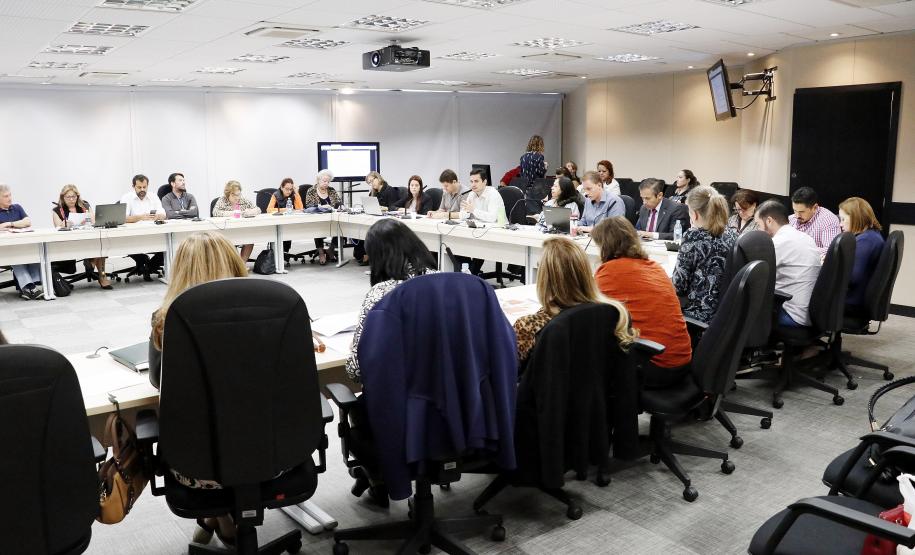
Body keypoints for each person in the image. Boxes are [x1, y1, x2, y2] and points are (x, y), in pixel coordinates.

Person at [147, 231, 248, 547]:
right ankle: (221, 521)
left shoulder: (166, 321)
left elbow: (158, 381)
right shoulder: (269, 309)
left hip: (198, 466)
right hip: (276, 454)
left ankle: (218, 519)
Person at [592, 217, 692, 387]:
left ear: (606, 245)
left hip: (654, 364)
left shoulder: (610, 271)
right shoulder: (654, 267)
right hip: (681, 360)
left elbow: (585, 307)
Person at [514, 236, 633, 368]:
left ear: (544, 277)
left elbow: (506, 373)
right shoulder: (616, 313)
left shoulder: (529, 325)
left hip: (548, 388)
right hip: (598, 387)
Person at [345, 219, 438, 383]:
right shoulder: (443, 282)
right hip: (448, 395)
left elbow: (356, 369)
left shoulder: (381, 293)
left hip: (397, 399)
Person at [672, 186, 737, 323]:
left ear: (694, 214)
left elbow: (679, 286)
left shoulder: (693, 236)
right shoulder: (733, 234)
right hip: (726, 313)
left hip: (697, 313)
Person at [755, 200, 821, 328]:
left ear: (769, 221)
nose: (758, 229)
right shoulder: (806, 238)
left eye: (758, 224)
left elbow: (757, 276)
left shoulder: (778, 243)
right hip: (809, 313)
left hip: (791, 315)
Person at [51, 184, 112, 289]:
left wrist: (88, 218)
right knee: (97, 246)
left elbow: (94, 221)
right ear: (62, 198)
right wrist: (63, 224)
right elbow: (57, 227)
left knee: (100, 242)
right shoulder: (57, 210)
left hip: (88, 238)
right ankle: (91, 263)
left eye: (74, 196)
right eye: (68, 197)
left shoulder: (84, 205)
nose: (71, 199)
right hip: (69, 242)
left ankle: (101, 274)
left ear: (77, 196)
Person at [839, 197, 885, 313]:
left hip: (852, 301)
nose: (840, 224)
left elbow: (852, 278)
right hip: (859, 297)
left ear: (856, 218)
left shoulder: (865, 241)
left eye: (843, 219)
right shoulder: (873, 235)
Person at [0, 184, 43, 300]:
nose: (9, 198)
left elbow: (27, 221)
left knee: (35, 252)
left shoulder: (17, 207)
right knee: (15, 255)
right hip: (5, 249)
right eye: (5, 196)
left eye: (10, 195)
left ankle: (30, 287)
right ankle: (30, 287)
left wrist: (10, 224)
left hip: (23, 244)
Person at [122, 174, 166, 281]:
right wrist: (140, 217)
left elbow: (163, 214)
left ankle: (149, 267)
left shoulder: (153, 196)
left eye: (144, 187)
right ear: (133, 187)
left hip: (153, 232)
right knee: (125, 244)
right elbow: (123, 218)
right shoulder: (127, 197)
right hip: (133, 234)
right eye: (139, 187)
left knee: (167, 246)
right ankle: (143, 261)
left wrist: (157, 216)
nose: (142, 190)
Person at [212, 180, 260, 261]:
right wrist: (233, 213)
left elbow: (258, 209)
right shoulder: (222, 200)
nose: (237, 197)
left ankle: (242, 265)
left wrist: (250, 212)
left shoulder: (243, 200)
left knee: (250, 240)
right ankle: (236, 265)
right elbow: (215, 212)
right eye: (234, 194)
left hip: (242, 229)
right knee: (230, 242)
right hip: (227, 231)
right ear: (228, 194)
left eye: (238, 194)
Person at [304, 169, 343, 265]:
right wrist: (321, 207)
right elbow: (308, 205)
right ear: (318, 180)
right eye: (324, 181)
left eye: (328, 181)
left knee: (342, 227)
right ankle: (321, 252)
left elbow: (339, 203)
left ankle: (331, 249)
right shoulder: (311, 190)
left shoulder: (331, 190)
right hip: (318, 219)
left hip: (332, 217)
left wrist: (336, 206)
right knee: (318, 230)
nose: (326, 183)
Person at [789, 186, 841, 255]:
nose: (797, 216)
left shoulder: (828, 220)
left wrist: (801, 248)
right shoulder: (791, 218)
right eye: (795, 210)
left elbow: (830, 250)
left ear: (815, 208)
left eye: (802, 212)